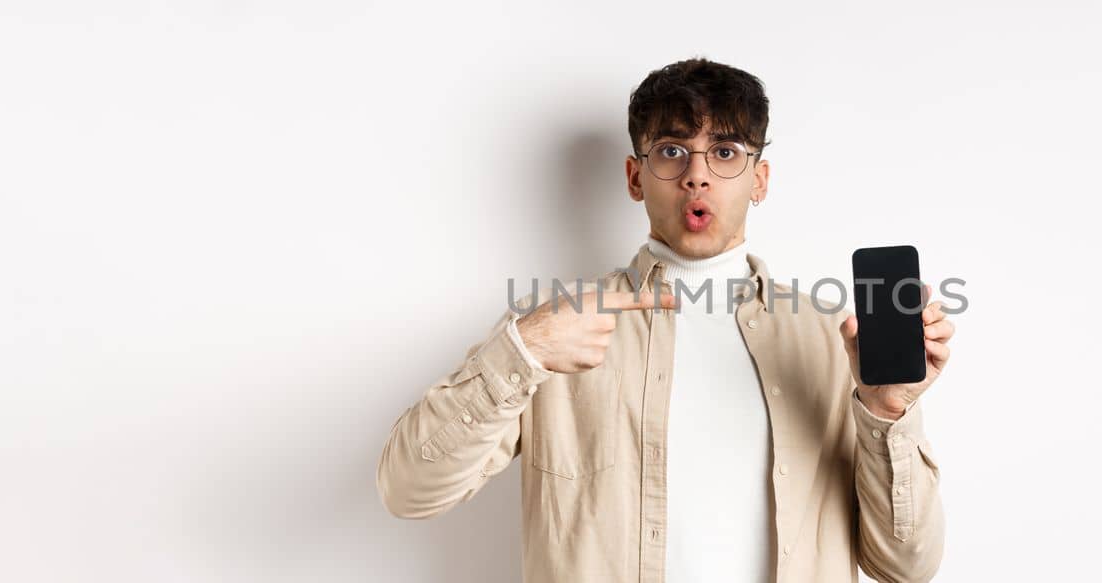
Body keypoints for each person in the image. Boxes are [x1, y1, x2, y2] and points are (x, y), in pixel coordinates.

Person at [377, 57, 953, 583]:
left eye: (725, 151)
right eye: (672, 151)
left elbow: (905, 567)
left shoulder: (831, 340)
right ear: (635, 177)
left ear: (760, 180)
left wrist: (885, 414)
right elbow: (407, 491)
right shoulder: (558, 329)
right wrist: (521, 352)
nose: (696, 176)